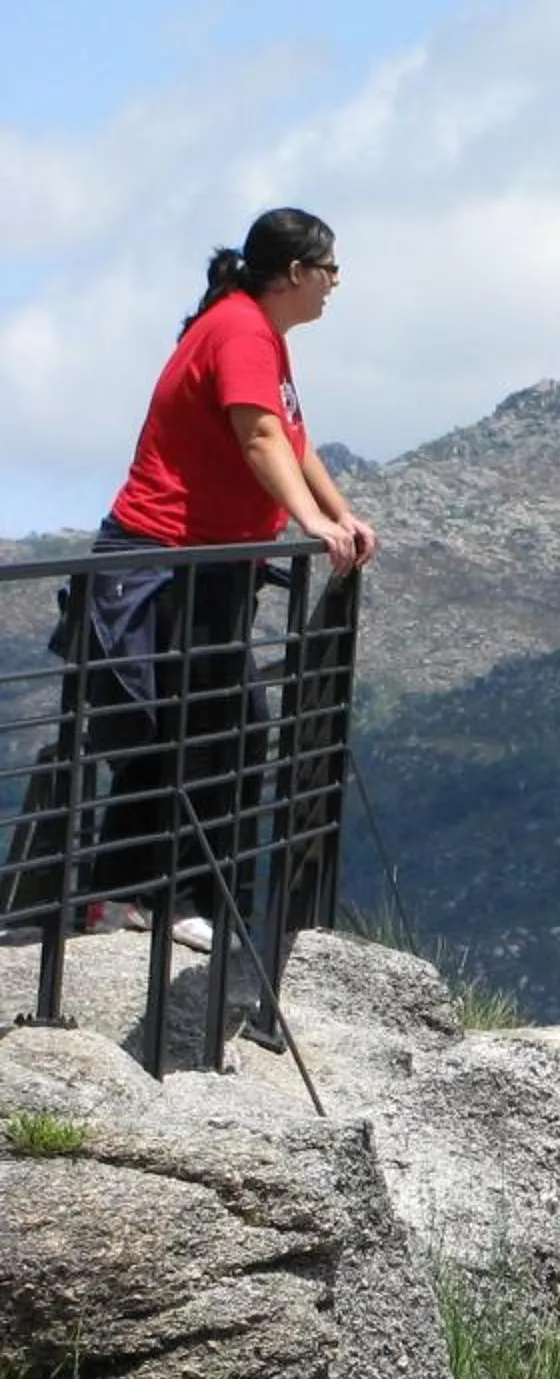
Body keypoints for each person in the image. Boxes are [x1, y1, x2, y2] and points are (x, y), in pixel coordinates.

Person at [67, 207, 375, 942]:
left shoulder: (257, 335)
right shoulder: (240, 330)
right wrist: (312, 524)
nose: (335, 285)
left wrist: (342, 514)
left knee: (220, 726)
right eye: (330, 270)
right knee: (196, 730)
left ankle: (166, 898)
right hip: (169, 559)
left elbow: (291, 438)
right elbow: (258, 433)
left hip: (201, 562)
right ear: (295, 272)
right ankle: (152, 898)